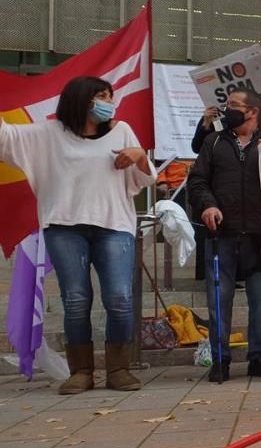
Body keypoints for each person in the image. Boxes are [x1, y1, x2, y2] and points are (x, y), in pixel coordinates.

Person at [0, 76, 155, 394]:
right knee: (75, 299)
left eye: (110, 96)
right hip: (63, 227)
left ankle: (119, 369)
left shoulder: (121, 130)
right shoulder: (48, 134)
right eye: (100, 96)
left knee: (120, 298)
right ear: (80, 99)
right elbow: (6, 137)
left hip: (115, 226)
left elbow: (144, 180)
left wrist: (139, 154)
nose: (108, 102)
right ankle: (82, 371)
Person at [187, 89, 261, 382]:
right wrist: (208, 206)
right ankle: (221, 360)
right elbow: (198, 181)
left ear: (252, 112)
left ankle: (260, 357)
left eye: (234, 106)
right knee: (219, 299)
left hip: (260, 237)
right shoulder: (213, 142)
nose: (227, 110)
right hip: (221, 235)